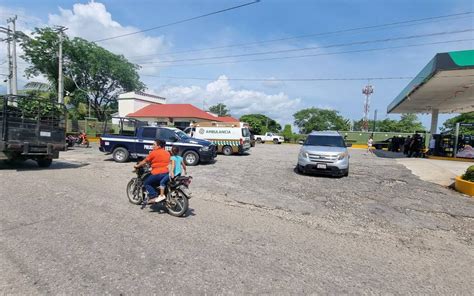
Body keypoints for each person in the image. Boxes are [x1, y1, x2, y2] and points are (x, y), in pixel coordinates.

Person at [134, 139, 170, 205]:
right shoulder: (167, 153)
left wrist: (137, 165)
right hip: (167, 173)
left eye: (154, 145)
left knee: (146, 182)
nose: (152, 146)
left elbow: (145, 161)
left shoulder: (153, 152)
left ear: (159, 146)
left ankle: (153, 196)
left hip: (158, 173)